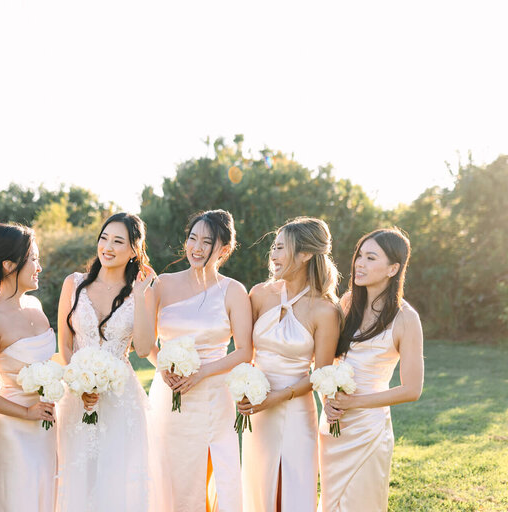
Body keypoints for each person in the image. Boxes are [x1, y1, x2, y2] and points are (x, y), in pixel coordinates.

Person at [147, 209, 253, 512]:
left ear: (224, 249)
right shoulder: (163, 284)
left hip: (211, 397)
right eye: (192, 238)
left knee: (212, 469)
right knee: (170, 469)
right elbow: (148, 342)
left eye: (207, 242)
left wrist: (201, 373)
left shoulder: (233, 291)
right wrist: (162, 365)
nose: (196, 247)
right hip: (169, 392)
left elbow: (244, 350)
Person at [55, 212, 158, 512]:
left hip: (121, 399)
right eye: (104, 238)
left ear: (133, 251)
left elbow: (142, 348)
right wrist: (78, 381)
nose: (107, 247)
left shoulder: (142, 292)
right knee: (79, 475)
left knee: (114, 479)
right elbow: (64, 341)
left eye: (118, 241)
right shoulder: (74, 284)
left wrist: (140, 296)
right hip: (78, 396)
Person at [238, 216, 341, 512]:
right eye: (274, 246)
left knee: (292, 488)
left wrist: (278, 397)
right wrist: (246, 389)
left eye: (281, 247)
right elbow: (244, 354)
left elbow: (321, 374)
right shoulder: (258, 294)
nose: (273, 254)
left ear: (305, 254)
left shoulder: (325, 309)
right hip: (257, 409)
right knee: (258, 487)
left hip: (295, 409)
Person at [318, 228, 424, 512]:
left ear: (393, 268)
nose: (359, 264)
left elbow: (412, 390)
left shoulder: (406, 319)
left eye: (371, 258)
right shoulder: (348, 302)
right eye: (359, 256)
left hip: (368, 430)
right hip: (333, 425)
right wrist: (328, 402)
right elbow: (330, 362)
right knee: (330, 503)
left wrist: (355, 402)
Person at [0, 223, 57, 512]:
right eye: (34, 260)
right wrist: (26, 412)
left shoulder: (35, 305)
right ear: (8, 265)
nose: (39, 267)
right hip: (14, 429)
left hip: (48, 426)